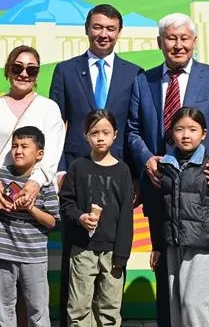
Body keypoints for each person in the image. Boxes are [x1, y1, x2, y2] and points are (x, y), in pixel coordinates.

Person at [127, 13, 209, 327]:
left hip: (204, 196)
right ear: (160, 42)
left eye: (184, 38)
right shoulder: (144, 81)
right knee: (169, 283)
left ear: (194, 41)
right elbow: (133, 131)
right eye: (171, 39)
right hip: (161, 195)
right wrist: (147, 158)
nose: (178, 45)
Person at [49, 4, 142, 320]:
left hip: (118, 176)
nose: (104, 34)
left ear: (119, 33)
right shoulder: (65, 71)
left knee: (113, 256)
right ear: (87, 29)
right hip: (78, 176)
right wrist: (60, 169)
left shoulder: (134, 74)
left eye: (110, 28)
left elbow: (134, 128)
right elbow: (56, 124)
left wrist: (136, 178)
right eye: (98, 27)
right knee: (75, 257)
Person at [0, 46, 65, 326]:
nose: (24, 73)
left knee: (32, 285)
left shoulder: (48, 108)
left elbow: (52, 152)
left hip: (33, 203)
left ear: (38, 74)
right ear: (8, 70)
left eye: (32, 69)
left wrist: (34, 184)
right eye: (18, 67)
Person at [151, 107, 209, 327]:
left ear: (204, 133)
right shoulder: (165, 167)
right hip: (173, 245)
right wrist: (158, 246)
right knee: (176, 305)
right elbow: (161, 210)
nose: (185, 135)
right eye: (179, 129)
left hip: (202, 246)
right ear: (172, 133)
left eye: (192, 129)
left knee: (194, 306)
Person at [59, 109, 134, 327]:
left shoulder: (123, 171)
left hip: (113, 252)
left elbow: (126, 217)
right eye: (94, 133)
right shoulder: (78, 167)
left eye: (105, 132)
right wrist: (80, 217)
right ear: (85, 136)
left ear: (115, 134)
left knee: (109, 309)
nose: (100, 138)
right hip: (83, 249)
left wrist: (122, 254)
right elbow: (66, 203)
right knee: (79, 307)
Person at [0, 126, 59, 327]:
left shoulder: (44, 184)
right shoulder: (0, 177)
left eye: (24, 146)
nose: (18, 151)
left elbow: (53, 221)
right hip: (2, 254)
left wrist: (31, 209)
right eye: (14, 146)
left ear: (39, 154)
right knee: (3, 310)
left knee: (38, 309)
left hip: (33, 257)